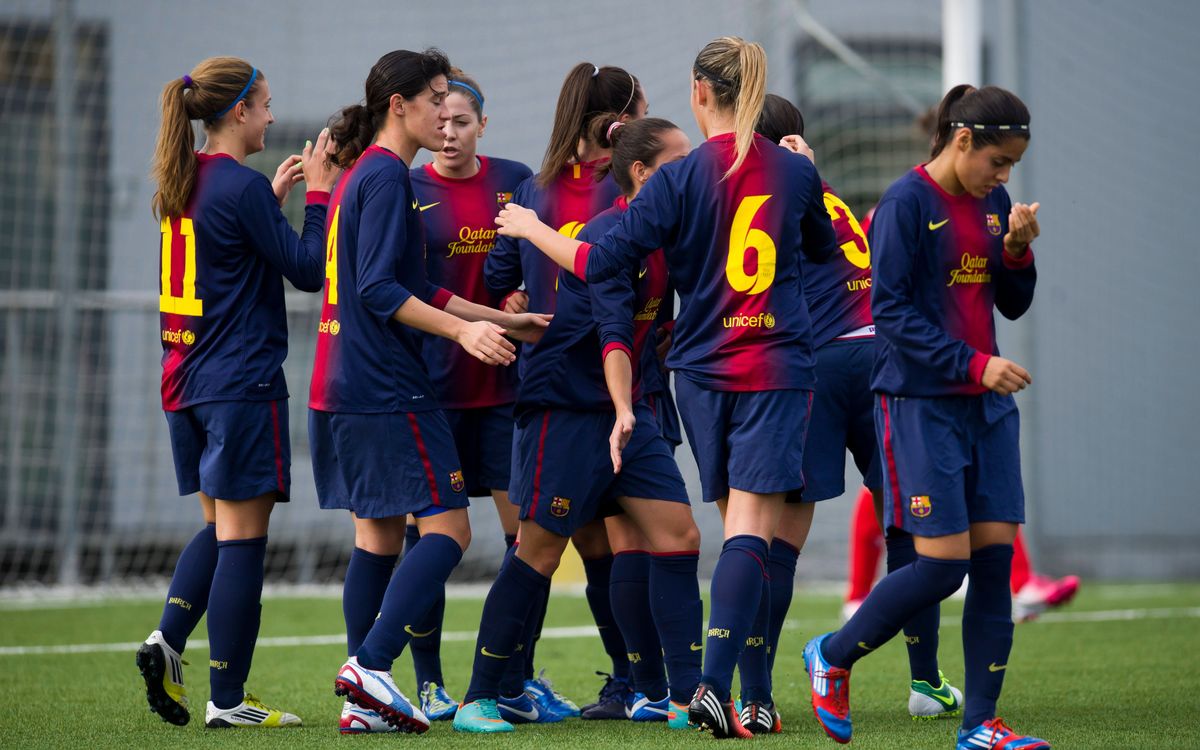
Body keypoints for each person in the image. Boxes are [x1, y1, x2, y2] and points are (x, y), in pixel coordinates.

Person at [495, 37, 839, 739]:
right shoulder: (793, 174)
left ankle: (735, 695)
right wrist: (809, 178)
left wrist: (532, 228)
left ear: (700, 93)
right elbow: (823, 252)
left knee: (723, 529)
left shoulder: (679, 179)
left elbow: (598, 259)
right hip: (774, 367)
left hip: (703, 375)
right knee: (755, 532)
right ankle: (726, 688)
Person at [801, 84, 1050, 750]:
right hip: (919, 407)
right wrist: (975, 366)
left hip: (987, 411)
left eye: (1011, 168)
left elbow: (1013, 304)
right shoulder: (905, 205)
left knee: (995, 562)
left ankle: (980, 725)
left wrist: (1019, 252)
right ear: (962, 140)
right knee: (943, 566)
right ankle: (833, 653)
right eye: (998, 162)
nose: (1003, 178)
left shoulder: (993, 204)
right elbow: (893, 318)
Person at [308, 49, 548, 735]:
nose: (445, 109)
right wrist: (462, 334)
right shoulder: (385, 178)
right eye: (435, 96)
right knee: (448, 529)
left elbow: (411, 284)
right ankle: (372, 666)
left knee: (379, 540)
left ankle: (363, 702)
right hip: (384, 387)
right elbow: (380, 291)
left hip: (344, 383)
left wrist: (500, 320)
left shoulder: (372, 175)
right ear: (399, 106)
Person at [453, 115, 700, 735]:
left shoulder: (672, 235)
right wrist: (623, 408)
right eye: (679, 163)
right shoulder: (609, 234)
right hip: (568, 410)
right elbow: (614, 336)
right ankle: (480, 696)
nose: (693, 173)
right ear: (642, 173)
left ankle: (685, 694)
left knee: (678, 536)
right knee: (537, 550)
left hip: (627, 410)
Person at [750, 94, 964, 732]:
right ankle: (925, 681)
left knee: (778, 535)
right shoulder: (830, 190)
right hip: (881, 363)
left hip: (818, 368)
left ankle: (755, 693)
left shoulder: (761, 194)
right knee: (908, 525)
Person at [137, 56, 339, 729]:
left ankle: (166, 637)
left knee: (218, 529)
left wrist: (271, 208)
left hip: (183, 383)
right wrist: (318, 195)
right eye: (267, 105)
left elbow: (227, 250)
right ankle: (228, 701)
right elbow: (310, 271)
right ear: (239, 112)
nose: (274, 117)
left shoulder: (181, 179)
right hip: (240, 384)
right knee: (244, 543)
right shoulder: (242, 188)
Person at [483, 61, 649, 721]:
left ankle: (635, 684)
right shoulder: (627, 191)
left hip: (556, 385)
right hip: (602, 387)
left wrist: (518, 292)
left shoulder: (532, 190)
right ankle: (493, 689)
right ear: (623, 120)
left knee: (598, 545)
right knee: (580, 546)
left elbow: (500, 275)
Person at [403, 68, 534, 722]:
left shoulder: (517, 181)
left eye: (461, 121)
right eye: (441, 121)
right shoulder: (405, 188)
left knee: (527, 540)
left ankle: (517, 680)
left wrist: (522, 296)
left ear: (484, 124)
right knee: (430, 540)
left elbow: (537, 264)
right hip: (433, 394)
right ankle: (428, 683)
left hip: (507, 389)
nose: (448, 134)